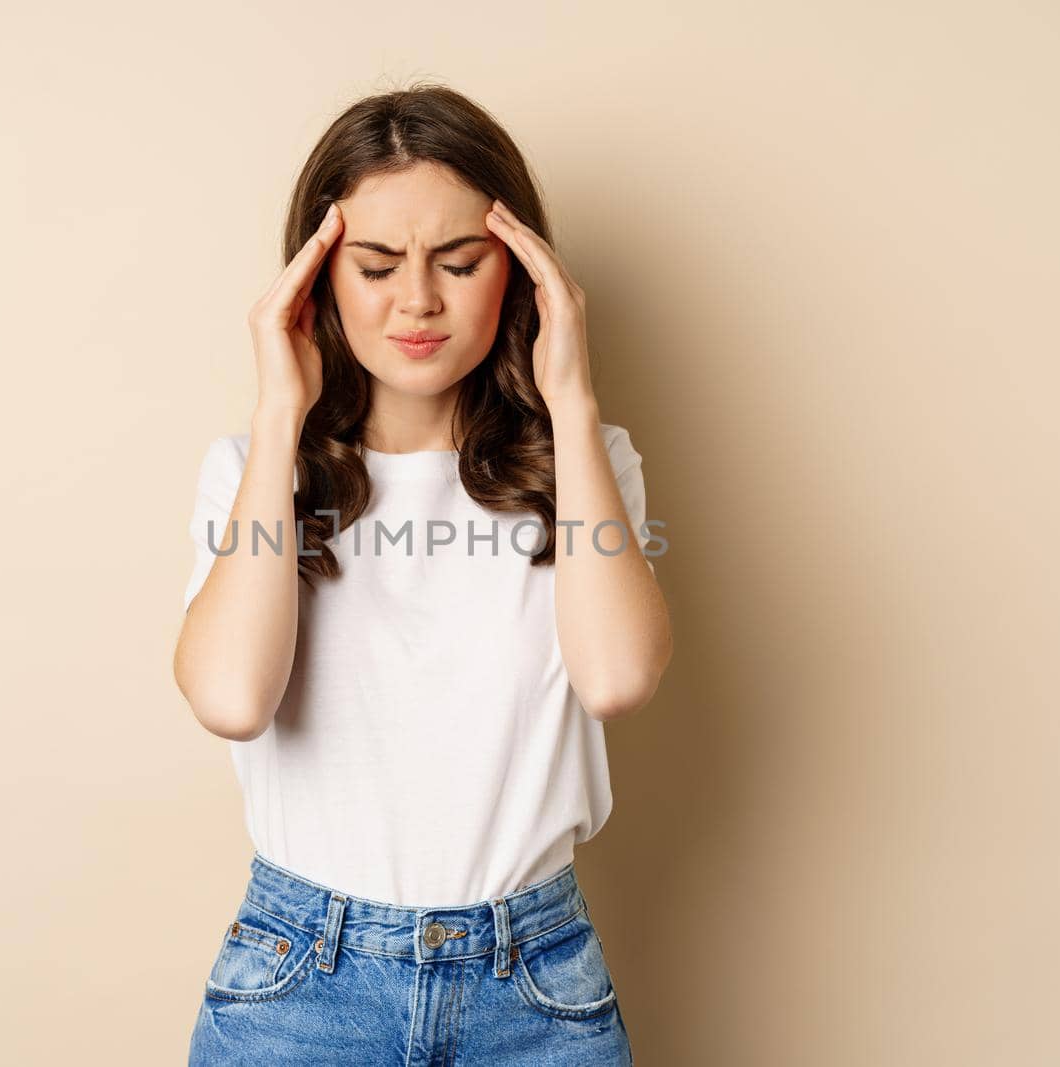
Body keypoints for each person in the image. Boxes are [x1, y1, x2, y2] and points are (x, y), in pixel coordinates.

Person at [176, 82, 671, 1065]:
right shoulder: (251, 473)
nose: (417, 300)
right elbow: (232, 697)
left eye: (459, 261)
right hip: (299, 982)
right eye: (374, 265)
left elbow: (616, 679)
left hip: (532, 984)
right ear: (316, 280)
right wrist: (280, 413)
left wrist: (569, 395)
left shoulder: (588, 463)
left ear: (519, 271)